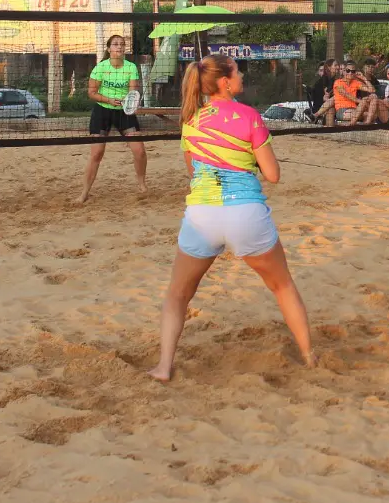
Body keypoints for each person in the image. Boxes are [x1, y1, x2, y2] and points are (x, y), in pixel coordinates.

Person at [148, 54, 314, 381]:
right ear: (224, 81)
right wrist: (252, 158)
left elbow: (193, 172)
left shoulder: (191, 120)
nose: (242, 76)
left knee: (177, 295)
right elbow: (273, 174)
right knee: (282, 286)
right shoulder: (250, 116)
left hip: (203, 215)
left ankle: (164, 366)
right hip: (246, 213)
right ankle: (310, 357)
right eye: (237, 72)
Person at [77, 34, 147, 203]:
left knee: (139, 150)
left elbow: (133, 91)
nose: (119, 47)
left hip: (123, 111)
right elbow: (92, 93)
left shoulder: (130, 67)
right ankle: (84, 193)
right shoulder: (100, 68)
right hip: (102, 110)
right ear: (109, 49)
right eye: (115, 44)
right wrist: (108, 100)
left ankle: (142, 185)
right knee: (97, 153)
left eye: (122, 44)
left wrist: (129, 101)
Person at [323, 61, 363, 126]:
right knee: (331, 108)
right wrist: (330, 99)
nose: (342, 71)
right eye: (341, 69)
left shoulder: (356, 82)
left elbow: (359, 98)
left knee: (334, 100)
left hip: (352, 107)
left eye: (344, 69)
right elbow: (325, 97)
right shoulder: (335, 81)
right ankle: (330, 131)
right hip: (337, 107)